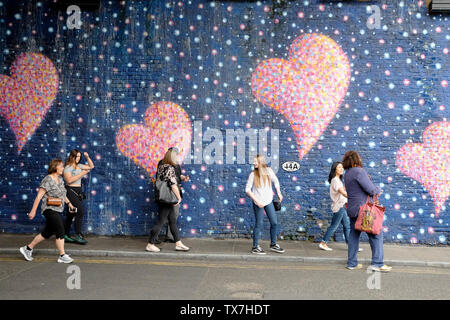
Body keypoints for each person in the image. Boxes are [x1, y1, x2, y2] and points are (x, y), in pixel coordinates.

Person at [342, 151, 391, 272]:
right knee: (376, 234)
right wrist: (379, 189)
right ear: (357, 160)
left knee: (353, 235)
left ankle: (352, 263)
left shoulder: (347, 174)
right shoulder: (359, 171)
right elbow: (371, 190)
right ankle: (378, 263)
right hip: (363, 210)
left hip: (352, 208)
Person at [19, 159, 76, 263]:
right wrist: (33, 211)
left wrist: (69, 203)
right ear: (55, 167)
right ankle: (62, 255)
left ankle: (27, 248)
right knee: (60, 229)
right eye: (61, 166)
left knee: (47, 233)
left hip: (58, 209)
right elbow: (39, 196)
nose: (63, 168)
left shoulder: (60, 179)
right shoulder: (47, 180)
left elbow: (63, 194)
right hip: (49, 209)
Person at [146, 148, 190, 252]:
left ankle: (178, 243)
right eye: (176, 156)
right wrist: (178, 197)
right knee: (161, 221)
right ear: (172, 157)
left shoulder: (162, 166)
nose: (177, 158)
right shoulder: (169, 168)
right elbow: (173, 185)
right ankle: (150, 243)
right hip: (168, 198)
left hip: (163, 197)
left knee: (172, 221)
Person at [246, 155, 284, 254]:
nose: (254, 163)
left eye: (256, 162)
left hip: (268, 201)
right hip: (258, 202)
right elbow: (247, 190)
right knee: (259, 224)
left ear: (261, 162)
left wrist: (279, 192)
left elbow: (276, 181)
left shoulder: (268, 171)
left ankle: (273, 244)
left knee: (274, 222)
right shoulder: (252, 175)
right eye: (254, 161)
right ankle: (255, 247)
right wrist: (257, 201)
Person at [156, 147, 189, 244]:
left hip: (173, 192)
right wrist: (178, 197)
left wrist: (183, 178)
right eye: (176, 154)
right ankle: (154, 239)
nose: (177, 156)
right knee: (164, 218)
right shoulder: (164, 164)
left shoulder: (176, 164)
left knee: (173, 216)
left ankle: (170, 237)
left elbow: (178, 176)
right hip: (168, 194)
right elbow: (170, 181)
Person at [63, 149, 94, 245]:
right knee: (79, 212)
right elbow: (69, 181)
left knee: (71, 214)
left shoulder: (79, 166)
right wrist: (82, 173)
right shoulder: (67, 168)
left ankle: (65, 235)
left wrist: (87, 157)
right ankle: (77, 235)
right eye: (77, 156)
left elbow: (91, 166)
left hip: (78, 191)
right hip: (70, 191)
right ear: (72, 156)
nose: (78, 158)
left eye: (79, 157)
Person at [319, 162, 351, 251]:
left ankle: (351, 246)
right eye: (339, 167)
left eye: (342, 167)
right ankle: (323, 242)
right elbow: (342, 193)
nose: (341, 169)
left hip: (342, 205)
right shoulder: (335, 180)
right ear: (335, 169)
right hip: (339, 206)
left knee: (347, 226)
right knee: (334, 226)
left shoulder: (338, 180)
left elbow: (342, 190)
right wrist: (353, 197)